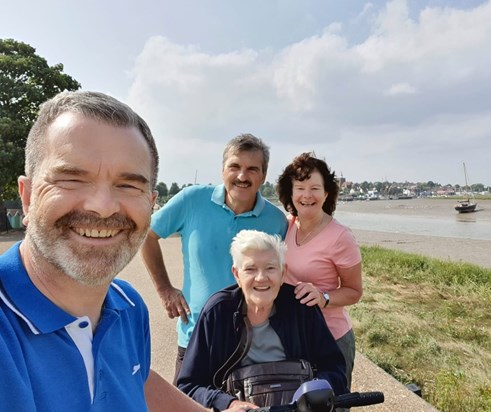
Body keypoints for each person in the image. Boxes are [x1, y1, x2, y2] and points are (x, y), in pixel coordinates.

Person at [0, 90, 234, 411]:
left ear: (151, 206)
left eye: (128, 185)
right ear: (27, 197)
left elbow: (132, 378)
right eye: (71, 178)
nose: (103, 207)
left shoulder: (127, 305)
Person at [140, 134, 288, 383]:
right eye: (235, 167)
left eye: (252, 169)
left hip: (252, 344)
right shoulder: (192, 200)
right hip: (195, 337)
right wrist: (164, 288)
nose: (242, 176)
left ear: (263, 176)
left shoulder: (277, 222)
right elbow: (147, 234)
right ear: (222, 170)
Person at [177, 230, 347, 411]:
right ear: (236, 274)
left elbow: (334, 368)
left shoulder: (302, 307)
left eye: (270, 268)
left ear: (283, 273)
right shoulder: (217, 312)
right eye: (250, 269)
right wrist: (228, 403)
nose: (261, 278)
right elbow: (188, 385)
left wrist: (317, 392)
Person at [276, 152, 363, 391]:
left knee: (330, 404)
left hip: (331, 339)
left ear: (326, 193)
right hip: (292, 336)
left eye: (315, 188)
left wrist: (323, 297)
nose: (307, 195)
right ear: (290, 193)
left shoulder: (341, 236)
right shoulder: (288, 225)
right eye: (300, 188)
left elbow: (354, 291)